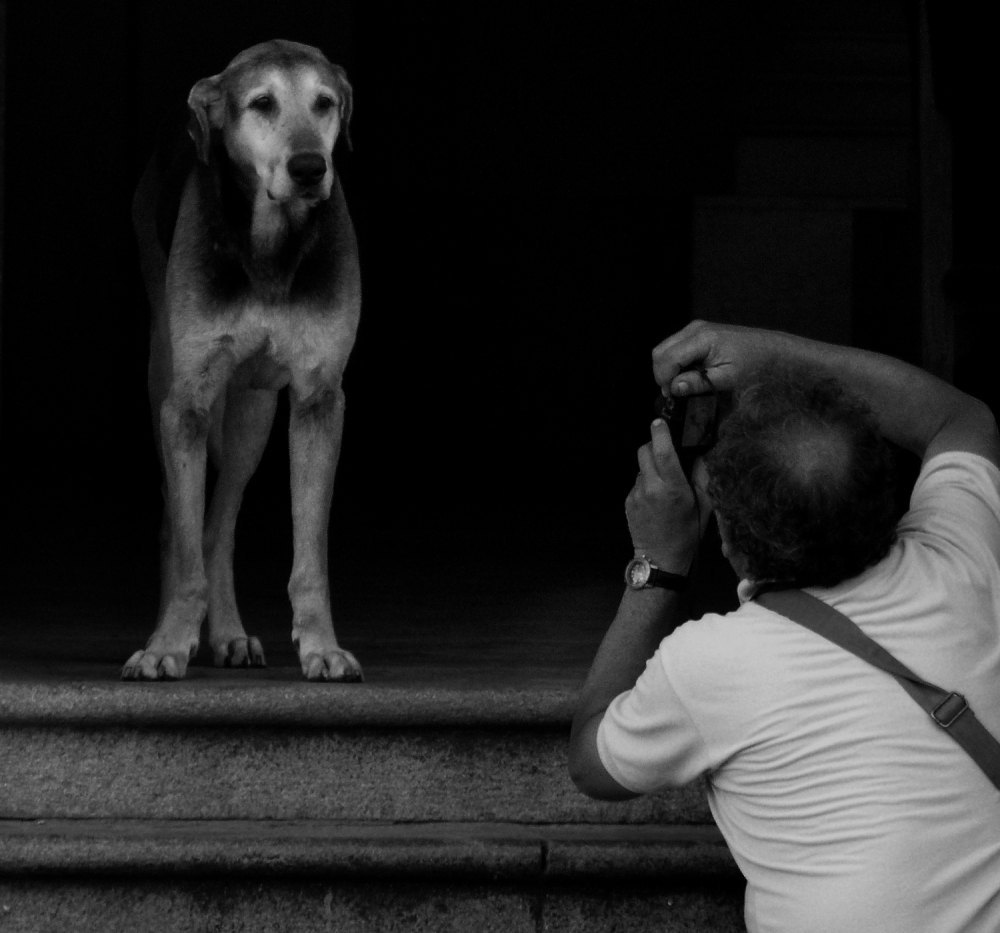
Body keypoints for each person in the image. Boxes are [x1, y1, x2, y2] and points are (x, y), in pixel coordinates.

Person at [569, 320, 1000, 933]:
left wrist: (658, 564)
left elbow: (591, 762)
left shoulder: (712, 663)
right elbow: (960, 420)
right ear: (891, 491)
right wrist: (770, 352)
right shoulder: (965, 560)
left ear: (727, 538)